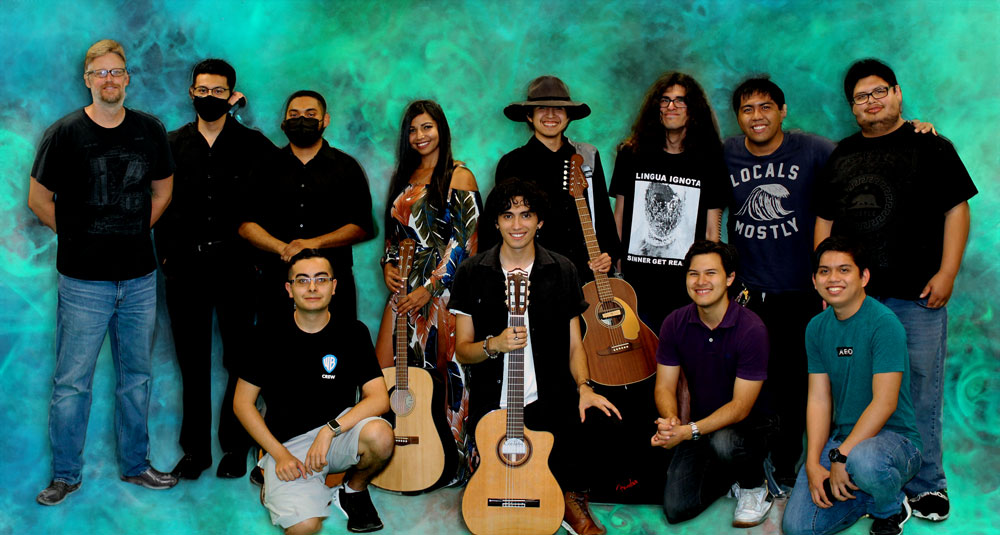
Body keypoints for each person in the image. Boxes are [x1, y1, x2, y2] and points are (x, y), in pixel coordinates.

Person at [814, 59, 977, 522]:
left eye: (879, 92)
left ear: (897, 93)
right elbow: (824, 221)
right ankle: (877, 478)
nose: (871, 102)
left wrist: (948, 272)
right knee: (861, 390)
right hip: (855, 300)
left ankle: (928, 485)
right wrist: (827, 282)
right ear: (852, 108)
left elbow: (957, 209)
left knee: (921, 386)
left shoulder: (931, 146)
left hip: (916, 295)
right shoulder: (841, 154)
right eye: (861, 97)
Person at [27, 38, 177, 505]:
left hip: (138, 277)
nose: (109, 80)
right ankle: (66, 475)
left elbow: (163, 191)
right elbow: (37, 200)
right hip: (82, 281)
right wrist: (79, 238)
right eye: (100, 73)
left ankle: (136, 466)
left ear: (128, 77)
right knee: (73, 382)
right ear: (87, 80)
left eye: (117, 71)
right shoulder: (64, 133)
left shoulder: (150, 130)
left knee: (137, 377)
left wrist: (131, 231)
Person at [450, 178, 621, 535]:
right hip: (495, 408)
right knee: (502, 473)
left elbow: (576, 345)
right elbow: (462, 351)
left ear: (539, 221)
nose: (517, 225)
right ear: (495, 222)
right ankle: (534, 483)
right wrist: (493, 344)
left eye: (526, 215)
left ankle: (569, 494)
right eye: (508, 215)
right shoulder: (472, 273)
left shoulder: (562, 270)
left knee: (603, 417)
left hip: (548, 400)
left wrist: (585, 388)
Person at [155, 58, 278, 480]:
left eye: (219, 91)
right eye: (202, 91)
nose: (210, 98)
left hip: (238, 269)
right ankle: (195, 452)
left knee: (239, 360)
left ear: (232, 95)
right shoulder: (168, 145)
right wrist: (167, 256)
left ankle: (234, 446)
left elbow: (275, 200)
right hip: (184, 270)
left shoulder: (255, 145)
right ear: (191, 93)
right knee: (191, 362)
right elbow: (152, 204)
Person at [234, 250, 393, 534]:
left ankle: (353, 490)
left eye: (321, 279)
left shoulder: (353, 332)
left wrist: (329, 430)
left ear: (334, 286)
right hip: (288, 447)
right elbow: (242, 404)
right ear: (289, 289)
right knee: (304, 528)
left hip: (336, 435)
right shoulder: (265, 336)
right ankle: (273, 476)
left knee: (381, 435)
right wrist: (279, 454)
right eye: (302, 280)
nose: (312, 287)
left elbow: (380, 398)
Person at [783, 236, 922, 535]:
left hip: (894, 443)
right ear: (815, 280)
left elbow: (885, 403)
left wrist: (841, 456)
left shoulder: (884, 323)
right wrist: (812, 461)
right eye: (825, 271)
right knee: (798, 527)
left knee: (865, 461)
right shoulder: (816, 328)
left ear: (864, 276)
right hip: (844, 440)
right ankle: (865, 498)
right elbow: (819, 400)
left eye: (844, 270)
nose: (833, 278)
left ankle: (891, 507)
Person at [376, 99, 480, 468]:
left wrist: (430, 289)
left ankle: (450, 461)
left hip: (443, 292)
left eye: (427, 127)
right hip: (404, 288)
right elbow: (395, 236)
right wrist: (387, 265)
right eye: (413, 129)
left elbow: (464, 244)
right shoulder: (404, 176)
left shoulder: (459, 175)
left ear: (441, 129)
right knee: (388, 370)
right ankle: (399, 456)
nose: (419, 136)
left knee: (446, 374)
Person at [651, 240, 774, 527]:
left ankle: (755, 486)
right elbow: (664, 387)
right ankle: (729, 473)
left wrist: (688, 431)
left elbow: (741, 407)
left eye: (711, 273)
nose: (701, 282)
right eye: (693, 274)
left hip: (750, 425)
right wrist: (671, 423)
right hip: (699, 425)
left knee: (725, 442)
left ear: (730, 278)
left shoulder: (751, 328)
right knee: (676, 508)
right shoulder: (674, 322)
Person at [240, 90, 373, 325]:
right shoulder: (263, 167)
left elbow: (361, 226)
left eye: (310, 114)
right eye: (294, 115)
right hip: (276, 282)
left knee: (337, 353)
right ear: (284, 122)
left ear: (325, 120)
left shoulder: (347, 168)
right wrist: (283, 248)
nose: (302, 120)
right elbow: (245, 224)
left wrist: (312, 243)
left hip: (333, 282)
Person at [610, 71, 728, 331]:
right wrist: (616, 265)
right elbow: (618, 216)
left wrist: (707, 275)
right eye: (664, 100)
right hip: (635, 281)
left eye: (680, 101)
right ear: (656, 108)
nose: (671, 106)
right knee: (638, 361)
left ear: (693, 110)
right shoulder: (632, 154)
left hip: (686, 283)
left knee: (683, 362)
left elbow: (712, 228)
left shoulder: (710, 160)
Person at [490, 75, 619, 282]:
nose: (550, 115)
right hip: (531, 273)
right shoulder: (512, 163)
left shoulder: (586, 156)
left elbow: (603, 215)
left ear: (569, 116)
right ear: (529, 116)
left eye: (559, 108)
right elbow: (498, 224)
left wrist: (607, 255)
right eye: (542, 108)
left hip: (584, 272)